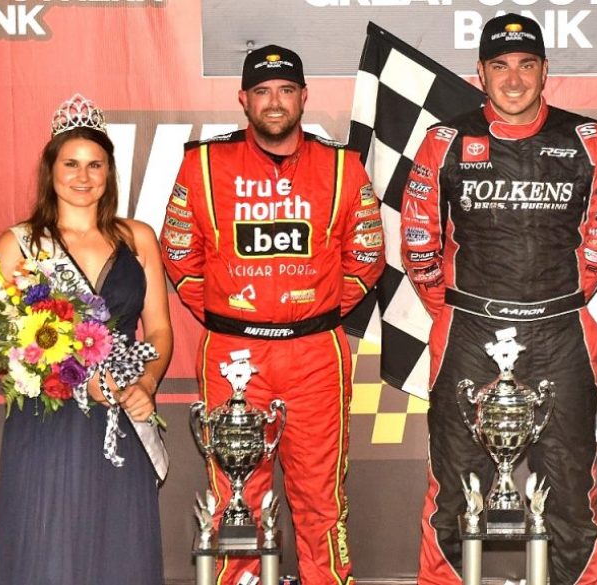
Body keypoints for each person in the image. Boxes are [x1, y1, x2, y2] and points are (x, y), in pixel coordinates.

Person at [400, 13, 597, 585]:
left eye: (526, 65)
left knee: (570, 488)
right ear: (481, 73)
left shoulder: (586, 137)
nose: (514, 79)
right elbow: (418, 239)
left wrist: (555, 303)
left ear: (545, 71)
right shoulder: (445, 140)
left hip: (560, 332)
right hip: (469, 330)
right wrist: (457, 307)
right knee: (454, 487)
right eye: (500, 66)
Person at [162, 45, 384, 585]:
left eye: (286, 90)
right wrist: (232, 312)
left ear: (304, 96)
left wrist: (312, 311)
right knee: (234, 495)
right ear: (243, 99)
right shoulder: (203, 164)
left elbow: (367, 256)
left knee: (320, 495)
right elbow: (179, 254)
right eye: (262, 91)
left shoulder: (342, 166)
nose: (275, 102)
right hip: (233, 354)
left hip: (315, 353)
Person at [0, 94, 173, 585]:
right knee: (48, 548)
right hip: (48, 419)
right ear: (50, 169)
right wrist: (73, 378)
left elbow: (159, 329)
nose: (83, 176)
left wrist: (147, 384)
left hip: (122, 410)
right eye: (70, 163)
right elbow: (0, 343)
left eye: (95, 164)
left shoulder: (138, 238)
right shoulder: (21, 243)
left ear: (109, 172)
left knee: (120, 548)